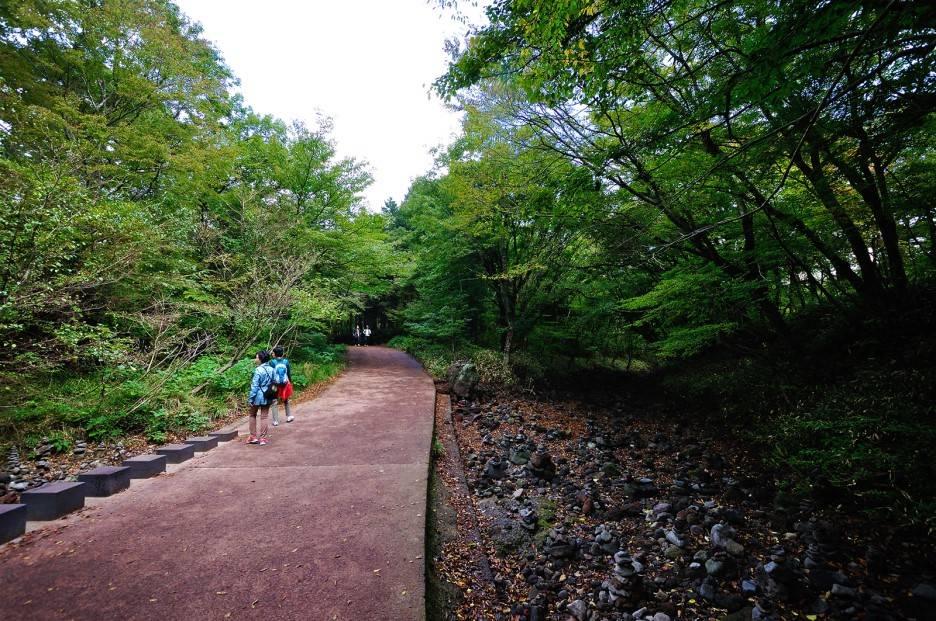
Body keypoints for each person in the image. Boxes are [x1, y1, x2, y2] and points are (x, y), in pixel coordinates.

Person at [247, 349, 276, 446]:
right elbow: (274, 383)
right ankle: (263, 438)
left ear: (260, 359)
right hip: (267, 395)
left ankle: (253, 437)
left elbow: (255, 386)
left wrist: (251, 398)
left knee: (252, 415)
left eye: (256, 357)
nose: (255, 359)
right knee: (264, 416)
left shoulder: (258, 370)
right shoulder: (272, 369)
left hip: (257, 396)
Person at [269, 346, 294, 425]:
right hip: (285, 383)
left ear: (275, 354)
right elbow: (288, 373)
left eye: (273, 353)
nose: (272, 354)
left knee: (274, 401)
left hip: (275, 383)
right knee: (286, 399)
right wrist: (290, 382)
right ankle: (289, 416)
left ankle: (275, 421)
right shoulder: (286, 361)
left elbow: (271, 374)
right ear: (282, 353)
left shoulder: (272, 362)